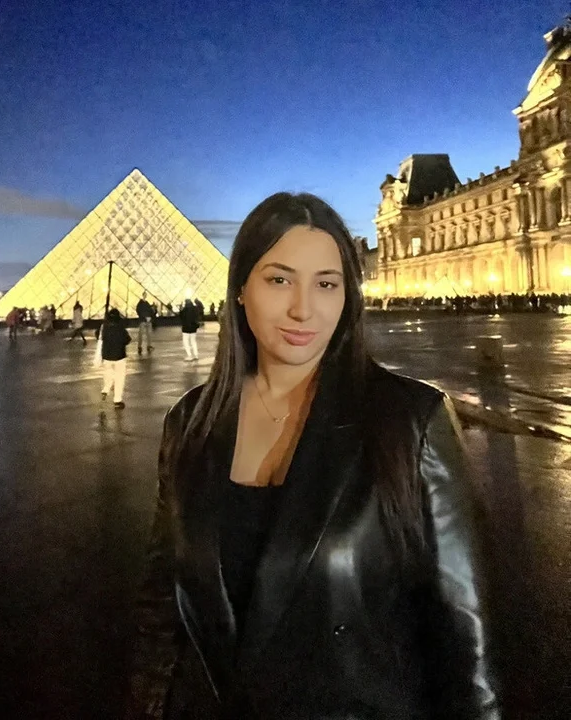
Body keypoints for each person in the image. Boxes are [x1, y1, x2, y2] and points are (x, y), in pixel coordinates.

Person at [125, 193, 500, 719]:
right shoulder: (189, 422)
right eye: (279, 279)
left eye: (326, 284)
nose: (303, 308)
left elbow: (467, 645)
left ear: (348, 296)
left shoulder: (408, 420)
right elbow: (162, 605)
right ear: (240, 290)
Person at [97, 308, 131, 409]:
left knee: (108, 373)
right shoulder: (120, 327)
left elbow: (98, 335)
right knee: (119, 378)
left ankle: (105, 389)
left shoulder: (104, 327)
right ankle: (117, 400)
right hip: (119, 356)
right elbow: (127, 339)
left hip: (107, 356)